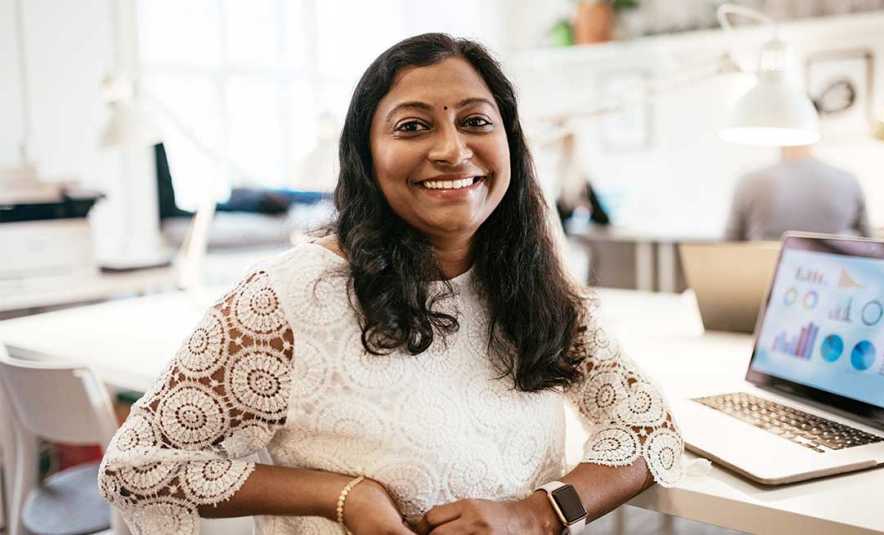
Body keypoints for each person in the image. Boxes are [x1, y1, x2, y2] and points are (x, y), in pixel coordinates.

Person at [98, 33, 684, 535]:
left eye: (476, 121)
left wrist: (540, 514)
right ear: (367, 156)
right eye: (413, 126)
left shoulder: (533, 285)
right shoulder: (287, 300)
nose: (453, 150)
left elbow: (645, 425)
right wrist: (344, 495)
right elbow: (138, 463)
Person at [724, 144, 871, 241]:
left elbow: (730, 246)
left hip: (762, 279)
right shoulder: (847, 180)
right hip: (835, 280)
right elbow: (870, 242)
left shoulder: (750, 181)